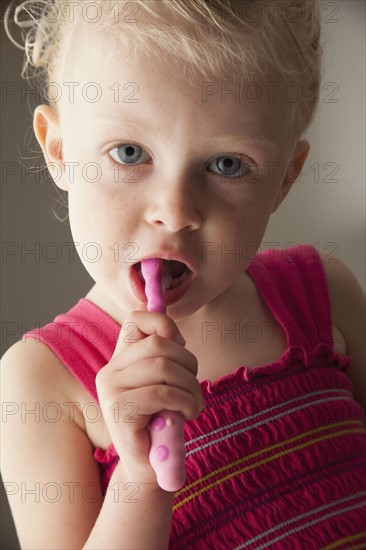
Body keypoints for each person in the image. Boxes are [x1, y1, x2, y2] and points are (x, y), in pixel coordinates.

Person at [1, 0, 365, 548]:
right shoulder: (40, 384)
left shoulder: (326, 293)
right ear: (58, 152)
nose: (174, 210)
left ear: (283, 181)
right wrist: (139, 481)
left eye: (227, 165)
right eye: (129, 153)